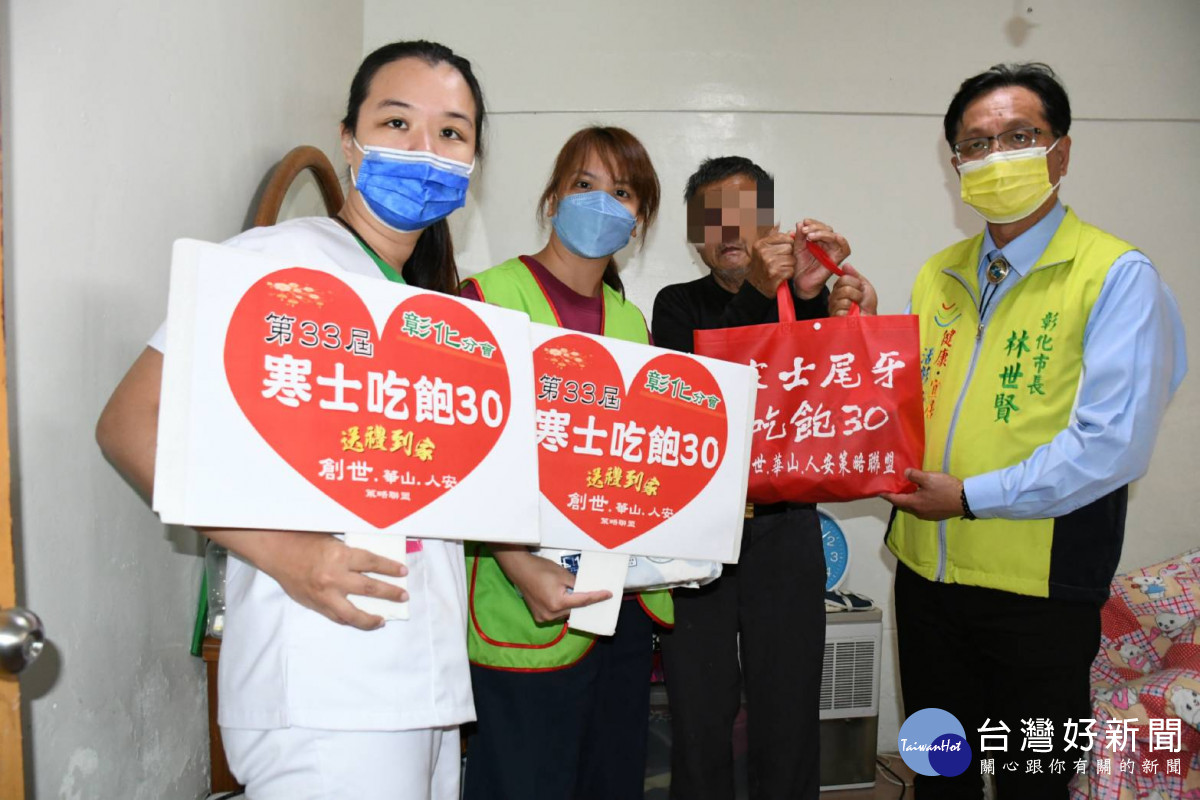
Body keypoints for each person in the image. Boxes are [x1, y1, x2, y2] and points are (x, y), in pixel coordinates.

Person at [96, 40, 487, 800]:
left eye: (452, 133)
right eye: (398, 121)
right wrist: (283, 552)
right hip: (323, 684)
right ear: (350, 141)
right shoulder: (277, 261)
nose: (424, 149)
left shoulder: (431, 313)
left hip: (423, 686)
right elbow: (129, 424)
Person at [831, 62, 1187, 799]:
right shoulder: (941, 273)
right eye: (975, 143)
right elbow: (916, 403)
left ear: (1060, 151)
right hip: (929, 578)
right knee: (940, 771)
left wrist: (969, 497)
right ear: (954, 162)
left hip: (1041, 586)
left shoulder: (1116, 274)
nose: (995, 157)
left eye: (1018, 136)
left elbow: (1112, 443)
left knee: (1033, 777)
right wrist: (863, 331)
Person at [458, 125, 668, 800]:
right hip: (527, 592)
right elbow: (460, 460)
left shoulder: (631, 322)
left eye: (624, 191)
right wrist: (520, 566)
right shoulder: (486, 297)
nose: (603, 202)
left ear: (638, 221)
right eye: (585, 185)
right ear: (552, 198)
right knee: (527, 780)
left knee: (611, 779)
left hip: (620, 599)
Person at [651, 156, 850, 800]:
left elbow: (838, 400)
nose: (729, 230)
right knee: (699, 714)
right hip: (700, 534)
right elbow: (699, 395)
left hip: (786, 530)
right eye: (713, 217)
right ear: (694, 233)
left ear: (770, 223)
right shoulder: (677, 304)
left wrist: (832, 297)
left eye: (744, 214)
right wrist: (763, 295)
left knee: (787, 712)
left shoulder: (807, 301)